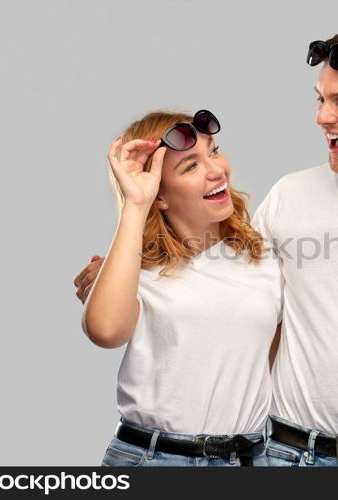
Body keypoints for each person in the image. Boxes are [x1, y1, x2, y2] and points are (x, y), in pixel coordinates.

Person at [75, 24, 338, 467]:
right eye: (321, 99)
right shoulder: (288, 196)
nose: (322, 117)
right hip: (293, 455)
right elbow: (222, 282)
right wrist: (117, 275)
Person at [77, 109, 282, 467]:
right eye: (190, 166)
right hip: (155, 459)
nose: (217, 170)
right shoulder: (135, 272)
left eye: (214, 151)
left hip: (248, 458)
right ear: (160, 196)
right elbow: (106, 331)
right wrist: (135, 204)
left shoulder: (264, 259)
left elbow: (277, 361)